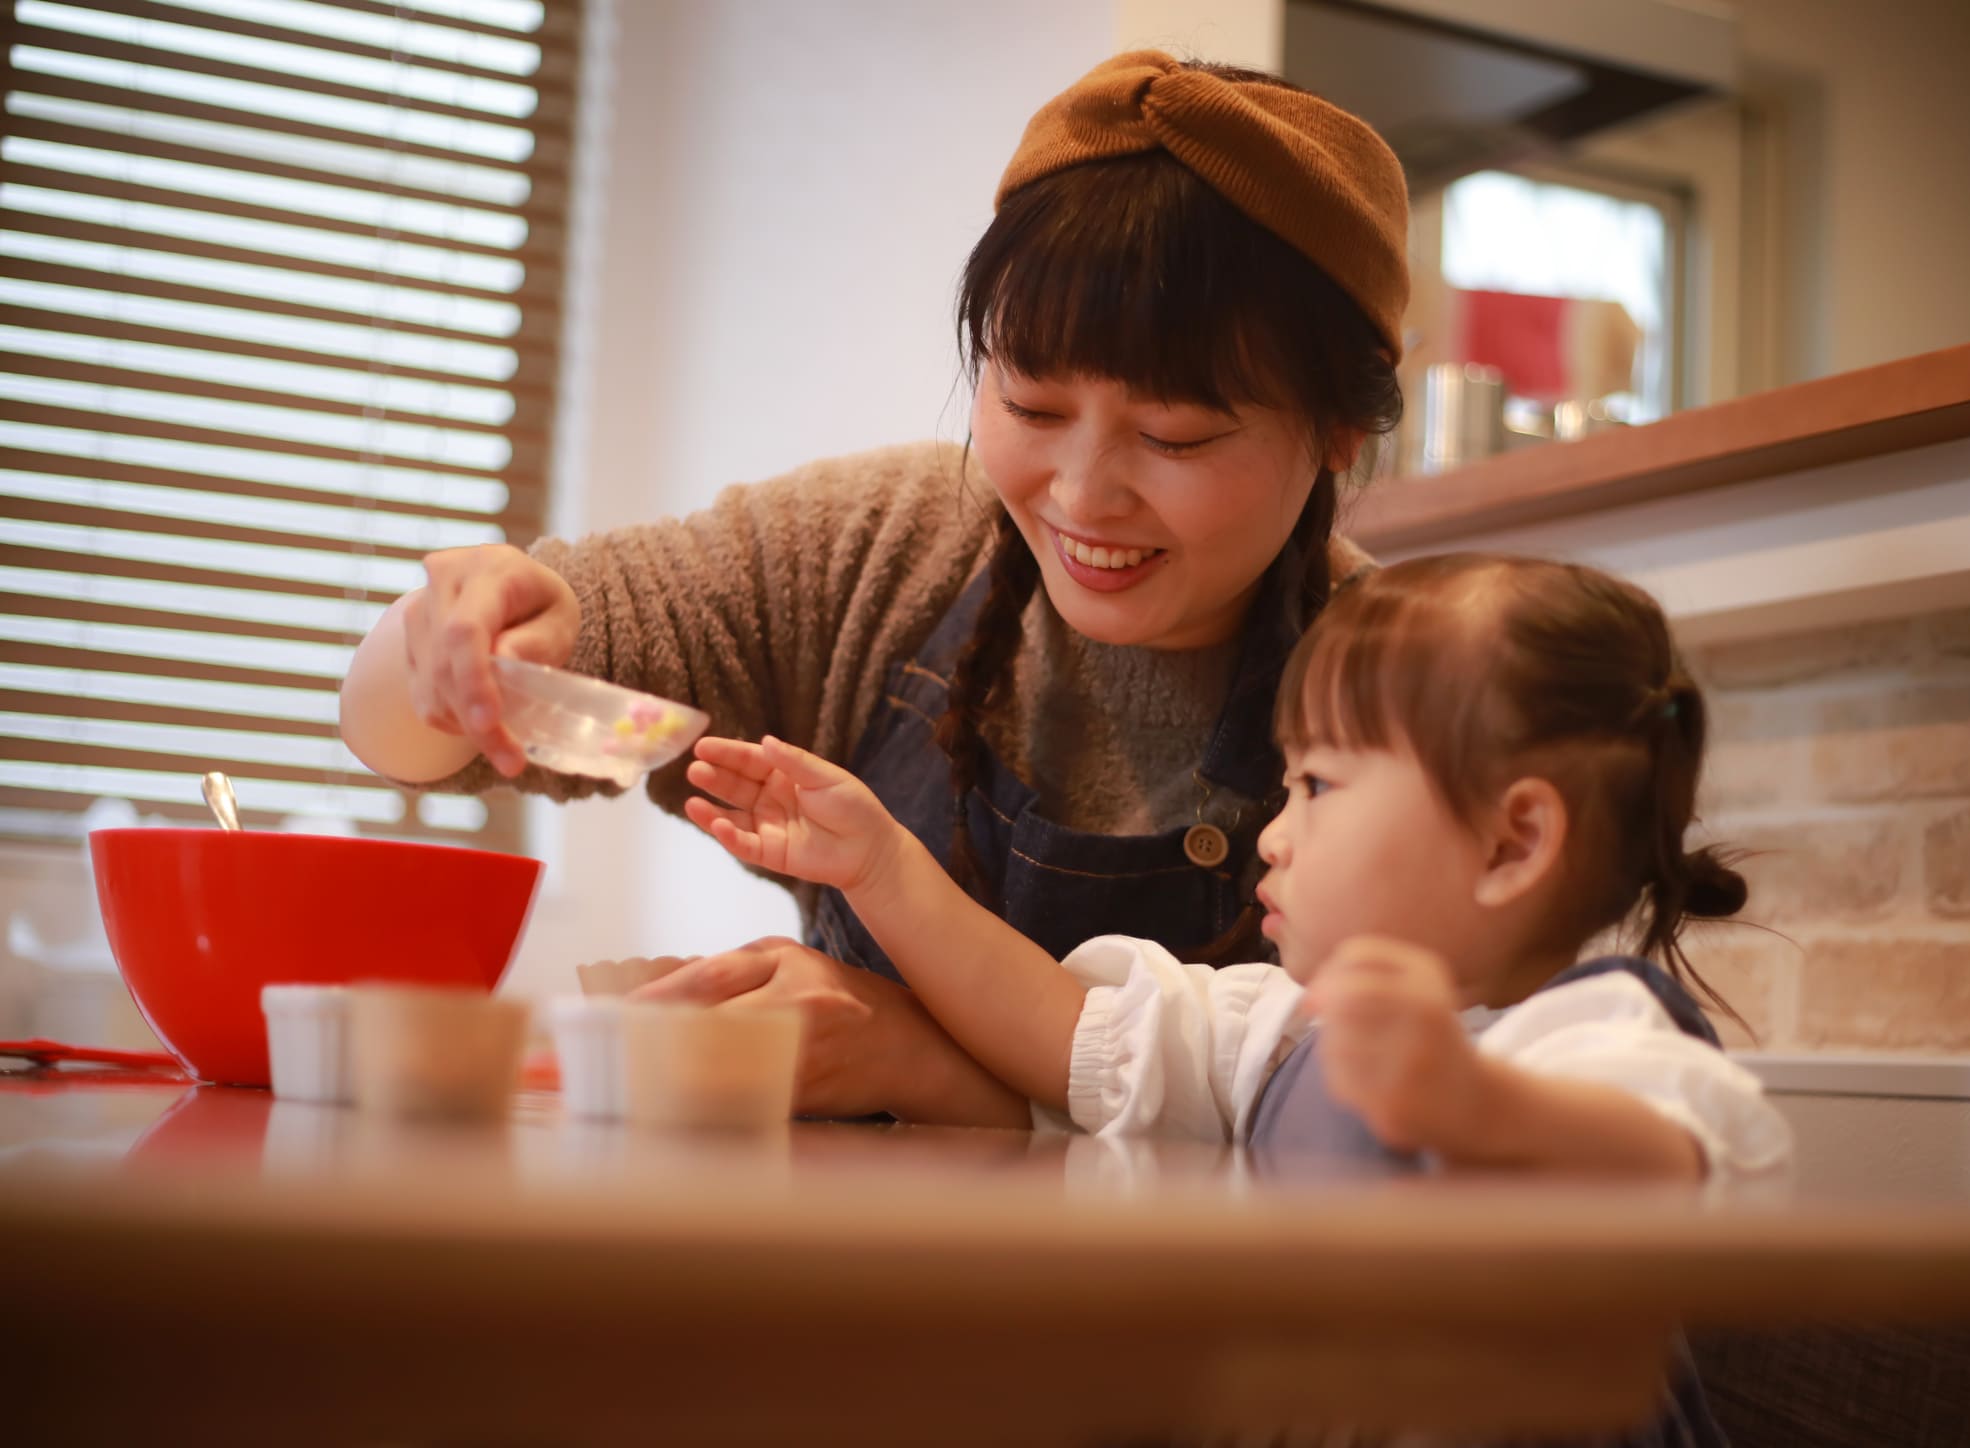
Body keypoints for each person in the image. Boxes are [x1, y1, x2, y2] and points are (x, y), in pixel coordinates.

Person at [339, 52, 1407, 1125]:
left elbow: (1377, 1137)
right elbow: (413, 734)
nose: (1084, 494)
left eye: (1175, 435)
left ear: (1335, 431)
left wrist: (941, 1076)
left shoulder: (1416, 693)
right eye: (1031, 406)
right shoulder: (880, 547)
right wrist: (451, 648)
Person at [684, 553, 1791, 1447]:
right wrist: (882, 867)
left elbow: (1673, 1163)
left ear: (1514, 840)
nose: (1274, 826)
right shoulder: (1286, 1025)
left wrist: (1472, 1106)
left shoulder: (1594, 1039)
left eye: (1318, 783)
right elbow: (1057, 1025)